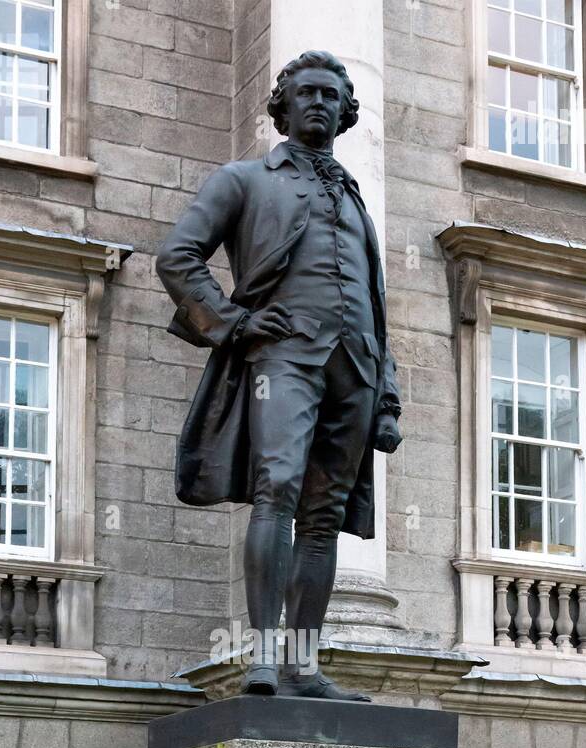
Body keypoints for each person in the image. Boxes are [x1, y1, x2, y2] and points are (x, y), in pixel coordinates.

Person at [156, 50, 402, 699]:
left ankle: (302, 665)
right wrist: (231, 323)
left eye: (330, 94)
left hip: (354, 369)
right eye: (306, 93)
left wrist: (388, 395)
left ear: (345, 111)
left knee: (322, 520)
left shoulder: (355, 199)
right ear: (283, 107)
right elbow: (177, 257)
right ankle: (263, 658)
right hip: (283, 359)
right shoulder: (242, 180)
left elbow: (375, 302)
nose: (318, 102)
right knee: (278, 490)